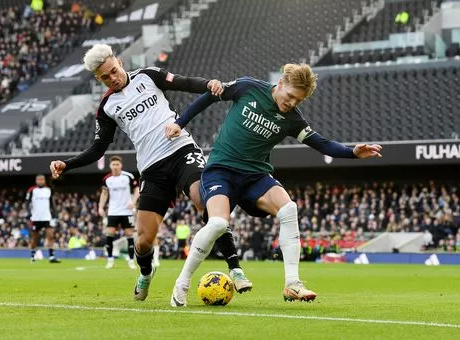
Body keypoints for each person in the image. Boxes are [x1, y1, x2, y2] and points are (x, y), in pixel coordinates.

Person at [166, 63, 382, 307]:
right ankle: (181, 284)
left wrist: (353, 151)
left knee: (289, 209)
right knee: (217, 223)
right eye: (290, 96)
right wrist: (180, 123)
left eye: (298, 101)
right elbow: (209, 97)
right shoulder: (248, 87)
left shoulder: (292, 120)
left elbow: (322, 144)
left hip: (255, 176)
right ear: (280, 83)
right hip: (221, 171)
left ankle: (293, 284)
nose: (291, 103)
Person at [49, 44, 252, 301]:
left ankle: (235, 268)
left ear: (119, 62)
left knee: (205, 201)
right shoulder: (107, 107)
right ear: (98, 80)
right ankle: (145, 273)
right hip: (152, 169)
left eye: (113, 71)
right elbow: (97, 149)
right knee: (143, 242)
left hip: (181, 150)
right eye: (105, 78)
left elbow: (184, 82)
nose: (113, 78)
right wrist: (67, 164)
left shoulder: (147, 75)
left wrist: (209, 84)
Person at [98, 155, 139, 270]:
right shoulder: (107, 179)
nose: (115, 167)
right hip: (113, 211)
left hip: (127, 211)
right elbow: (104, 194)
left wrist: (134, 202)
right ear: (110, 166)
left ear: (121, 165)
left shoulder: (128, 177)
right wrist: (100, 207)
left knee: (129, 235)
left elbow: (137, 190)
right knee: (109, 234)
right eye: (113, 164)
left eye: (117, 164)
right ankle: (110, 260)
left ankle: (131, 261)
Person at [26, 174, 61, 263]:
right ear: (36, 181)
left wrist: (56, 214)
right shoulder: (32, 190)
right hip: (36, 218)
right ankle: (32, 256)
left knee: (51, 236)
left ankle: (51, 257)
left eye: (42, 179)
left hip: (47, 217)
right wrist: (29, 213)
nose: (40, 181)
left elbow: (52, 204)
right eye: (39, 180)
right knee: (35, 238)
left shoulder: (48, 190)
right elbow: (27, 203)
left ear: (44, 181)